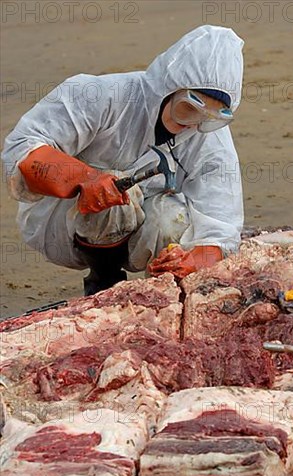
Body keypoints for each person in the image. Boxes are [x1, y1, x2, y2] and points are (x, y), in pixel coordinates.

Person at [2, 25, 245, 296]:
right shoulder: (99, 95)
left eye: (208, 119)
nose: (192, 125)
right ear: (168, 88)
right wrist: (85, 178)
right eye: (188, 109)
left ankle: (158, 294)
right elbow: (22, 148)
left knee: (173, 219)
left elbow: (219, 218)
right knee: (118, 195)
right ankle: (103, 280)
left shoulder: (207, 137)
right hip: (64, 222)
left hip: (142, 232)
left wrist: (198, 258)